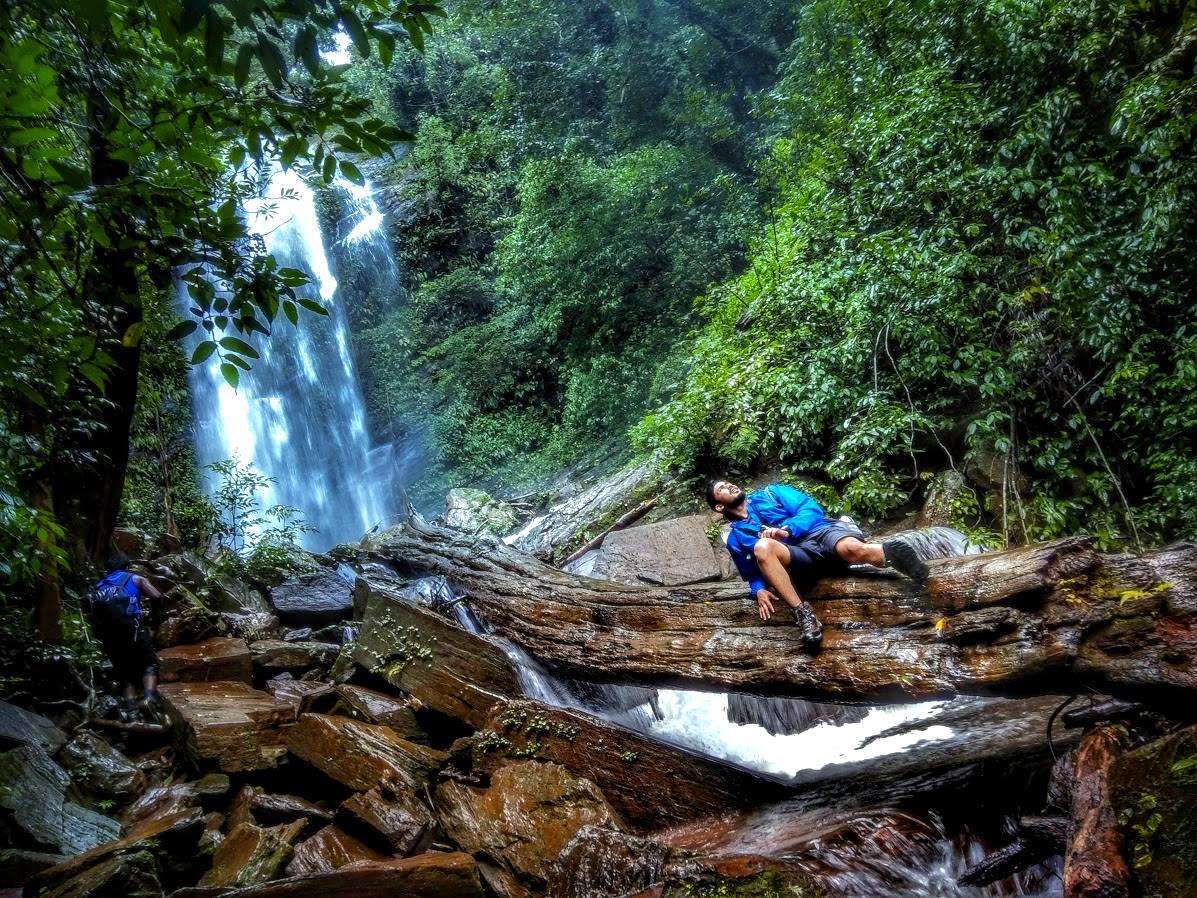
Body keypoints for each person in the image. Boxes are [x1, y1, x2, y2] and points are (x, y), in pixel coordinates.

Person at [705, 479, 930, 648]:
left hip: (820, 533)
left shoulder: (772, 493)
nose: (730, 486)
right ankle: (803, 614)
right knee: (762, 547)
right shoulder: (735, 538)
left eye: (728, 483)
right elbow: (750, 571)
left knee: (853, 550)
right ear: (718, 506)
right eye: (722, 489)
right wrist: (758, 589)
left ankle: (898, 557)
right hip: (799, 560)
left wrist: (787, 529)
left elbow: (811, 509)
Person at [89, 553, 163, 718]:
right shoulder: (135, 578)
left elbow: (94, 617)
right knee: (149, 663)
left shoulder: (98, 586)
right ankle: (149, 698)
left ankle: (131, 709)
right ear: (126, 566)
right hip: (133, 630)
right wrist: (153, 623)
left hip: (110, 636)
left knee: (123, 672)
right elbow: (157, 597)